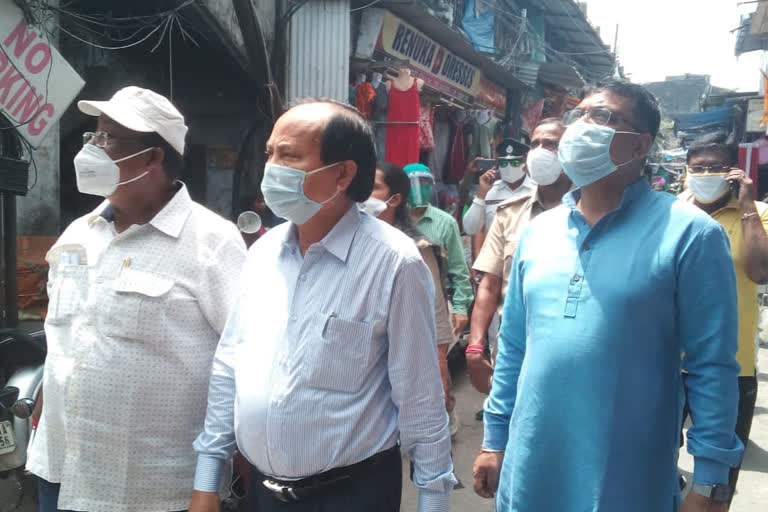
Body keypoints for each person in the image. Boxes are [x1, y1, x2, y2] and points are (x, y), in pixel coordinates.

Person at [472, 80, 743, 512]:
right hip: (528, 477)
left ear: (640, 145)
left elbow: (712, 367)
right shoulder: (538, 233)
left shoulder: (690, 234)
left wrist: (710, 483)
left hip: (626, 481)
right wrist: (494, 438)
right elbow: (515, 350)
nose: (582, 125)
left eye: (602, 116)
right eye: (580, 114)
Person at [190, 99, 455, 512]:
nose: (271, 169)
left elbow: (419, 397)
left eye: (288, 155)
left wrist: (434, 501)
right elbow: (230, 365)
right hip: (262, 494)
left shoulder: (394, 263)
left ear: (343, 174)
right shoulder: (263, 255)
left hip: (350, 496)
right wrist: (208, 479)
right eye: (270, 154)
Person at [25, 86, 247, 512]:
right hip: (62, 467)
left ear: (153, 157)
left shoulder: (212, 242)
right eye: (93, 137)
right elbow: (64, 330)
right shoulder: (79, 233)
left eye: (110, 139)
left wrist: (219, 470)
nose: (93, 148)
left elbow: (241, 360)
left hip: (156, 488)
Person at [678, 131, 768, 504]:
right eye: (699, 168)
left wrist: (747, 204)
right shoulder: (670, 212)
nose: (707, 175)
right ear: (686, 171)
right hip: (666, 360)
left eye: (716, 167)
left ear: (734, 172)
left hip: (732, 365)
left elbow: (761, 272)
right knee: (649, 458)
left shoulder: (758, 215)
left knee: (717, 478)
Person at [466, 118, 572, 395]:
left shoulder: (592, 213)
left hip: (571, 350)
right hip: (513, 347)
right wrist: (476, 346)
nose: (540, 151)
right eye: (535, 144)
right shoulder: (509, 213)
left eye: (551, 144)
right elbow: (489, 285)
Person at [360, 161, 457, 431]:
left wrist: (438, 383)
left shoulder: (416, 250)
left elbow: (434, 323)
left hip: (408, 363)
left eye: (374, 187)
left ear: (396, 198)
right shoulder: (350, 242)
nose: (364, 193)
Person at [405, 163, 474, 335]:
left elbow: (458, 269)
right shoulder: (392, 217)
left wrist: (460, 308)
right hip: (400, 300)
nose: (419, 188)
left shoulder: (445, 222)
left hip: (437, 300)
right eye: (413, 183)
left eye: (425, 183)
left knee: (438, 358)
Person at [462, 139, 535, 236]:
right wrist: (481, 194)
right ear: (497, 165)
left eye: (515, 163)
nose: (509, 167)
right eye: (504, 163)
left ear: (525, 162)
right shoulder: (489, 191)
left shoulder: (536, 190)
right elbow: (470, 228)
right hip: (496, 250)